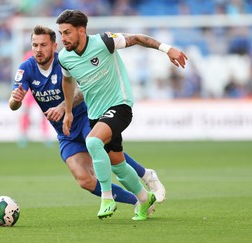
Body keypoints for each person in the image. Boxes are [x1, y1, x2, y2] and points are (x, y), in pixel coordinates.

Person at [9, 25, 165, 217]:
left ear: (54, 46)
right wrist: (15, 100)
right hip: (64, 132)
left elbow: (84, 91)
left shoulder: (67, 61)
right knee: (85, 180)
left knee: (109, 155)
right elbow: (13, 105)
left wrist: (64, 107)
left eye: (43, 45)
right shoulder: (26, 68)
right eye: (34, 45)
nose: (38, 50)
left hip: (83, 119)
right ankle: (140, 200)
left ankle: (145, 175)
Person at [56, 10, 187, 220]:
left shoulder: (104, 42)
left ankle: (107, 197)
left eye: (67, 32)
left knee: (92, 141)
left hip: (120, 105)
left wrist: (167, 49)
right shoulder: (64, 57)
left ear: (81, 31)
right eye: (61, 33)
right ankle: (144, 200)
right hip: (96, 114)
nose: (63, 38)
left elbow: (136, 38)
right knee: (119, 166)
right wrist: (69, 111)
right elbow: (68, 80)